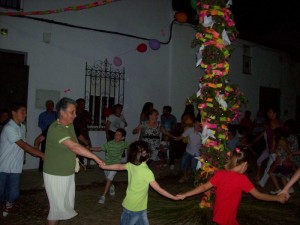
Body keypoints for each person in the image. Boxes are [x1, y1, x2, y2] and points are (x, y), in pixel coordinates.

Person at [176, 149, 287, 225]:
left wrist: (185, 194)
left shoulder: (220, 174)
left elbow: (204, 187)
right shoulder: (242, 179)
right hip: (227, 216)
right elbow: (259, 195)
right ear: (244, 164)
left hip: (220, 213)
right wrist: (277, 198)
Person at [43, 97, 104, 225]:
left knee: (60, 209)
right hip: (56, 174)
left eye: (75, 111)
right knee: (56, 210)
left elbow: (75, 145)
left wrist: (77, 159)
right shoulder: (56, 129)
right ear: (62, 112)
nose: (75, 115)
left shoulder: (68, 125)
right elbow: (73, 146)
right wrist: (95, 157)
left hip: (66, 172)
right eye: (72, 112)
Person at [100, 141, 179, 225]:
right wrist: (173, 197)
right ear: (147, 155)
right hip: (136, 208)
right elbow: (158, 189)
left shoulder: (131, 164)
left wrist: (105, 166)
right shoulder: (147, 172)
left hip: (133, 205)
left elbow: (119, 166)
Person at [0, 103, 44, 217]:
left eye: (25, 112)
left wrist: (35, 152)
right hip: (3, 166)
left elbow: (23, 146)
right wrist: (41, 154)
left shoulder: (22, 127)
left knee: (14, 193)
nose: (25, 114)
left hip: (15, 166)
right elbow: (23, 145)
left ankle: (8, 205)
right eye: (22, 112)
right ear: (14, 113)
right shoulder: (9, 127)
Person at [90, 128, 129, 204]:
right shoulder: (109, 143)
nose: (116, 136)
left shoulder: (124, 144)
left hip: (115, 165)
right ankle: (112, 186)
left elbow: (132, 146)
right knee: (108, 178)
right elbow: (100, 148)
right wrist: (90, 148)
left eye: (119, 135)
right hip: (106, 164)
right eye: (116, 134)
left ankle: (103, 195)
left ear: (122, 137)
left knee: (109, 178)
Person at [175, 119, 202, 183]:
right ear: (194, 124)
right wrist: (176, 138)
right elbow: (182, 136)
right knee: (183, 164)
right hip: (188, 151)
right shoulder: (190, 130)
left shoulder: (202, 133)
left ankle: (197, 180)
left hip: (196, 154)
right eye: (196, 124)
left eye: (199, 125)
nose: (198, 126)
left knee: (194, 168)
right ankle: (185, 177)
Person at [73, 98, 92, 167]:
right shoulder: (74, 112)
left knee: (88, 146)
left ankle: (88, 164)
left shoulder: (86, 112)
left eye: (83, 104)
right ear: (77, 105)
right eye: (81, 104)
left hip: (84, 132)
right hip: (76, 132)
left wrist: (87, 120)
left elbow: (90, 122)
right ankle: (78, 163)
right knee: (77, 147)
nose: (83, 105)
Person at [160, 105, 177, 170]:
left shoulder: (173, 118)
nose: (163, 112)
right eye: (163, 110)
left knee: (171, 150)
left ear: (168, 111)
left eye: (165, 111)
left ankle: (172, 163)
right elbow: (162, 125)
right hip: (164, 135)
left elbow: (174, 128)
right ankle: (165, 162)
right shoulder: (162, 117)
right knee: (164, 149)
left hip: (171, 135)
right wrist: (165, 134)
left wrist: (169, 134)